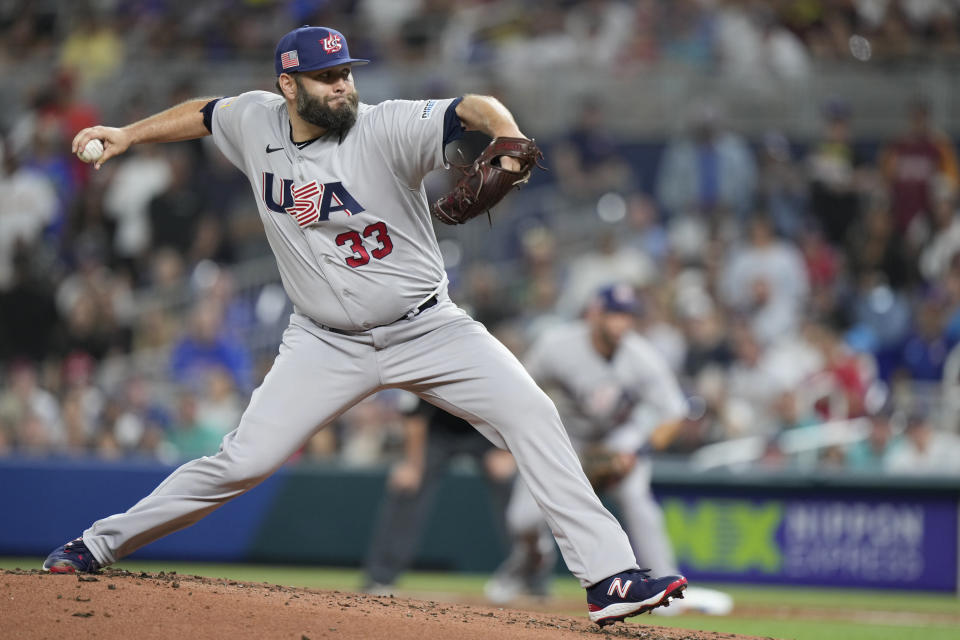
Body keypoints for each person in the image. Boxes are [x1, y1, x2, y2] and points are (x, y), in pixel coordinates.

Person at [42, 25, 686, 626]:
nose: (343, 85)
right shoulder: (255, 120)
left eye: (346, 72)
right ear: (288, 88)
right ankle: (96, 545)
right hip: (322, 342)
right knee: (242, 463)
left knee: (533, 414)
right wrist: (127, 134)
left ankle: (611, 579)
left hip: (429, 329)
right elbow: (208, 113)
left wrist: (508, 133)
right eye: (326, 77)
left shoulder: (386, 129)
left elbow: (474, 106)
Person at [485, 284, 731, 616]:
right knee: (522, 520)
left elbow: (674, 414)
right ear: (595, 314)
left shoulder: (641, 356)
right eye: (615, 314)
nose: (622, 323)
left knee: (638, 503)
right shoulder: (557, 346)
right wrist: (506, 443)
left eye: (627, 316)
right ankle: (527, 566)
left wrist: (638, 452)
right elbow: (520, 390)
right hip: (567, 437)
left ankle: (666, 589)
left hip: (619, 439)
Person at [362, 394, 515, 593]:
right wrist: (412, 465)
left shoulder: (498, 365)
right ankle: (380, 578)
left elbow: (514, 406)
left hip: (486, 430)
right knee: (407, 485)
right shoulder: (424, 365)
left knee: (514, 487)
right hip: (437, 430)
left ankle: (530, 579)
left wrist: (507, 452)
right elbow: (414, 416)